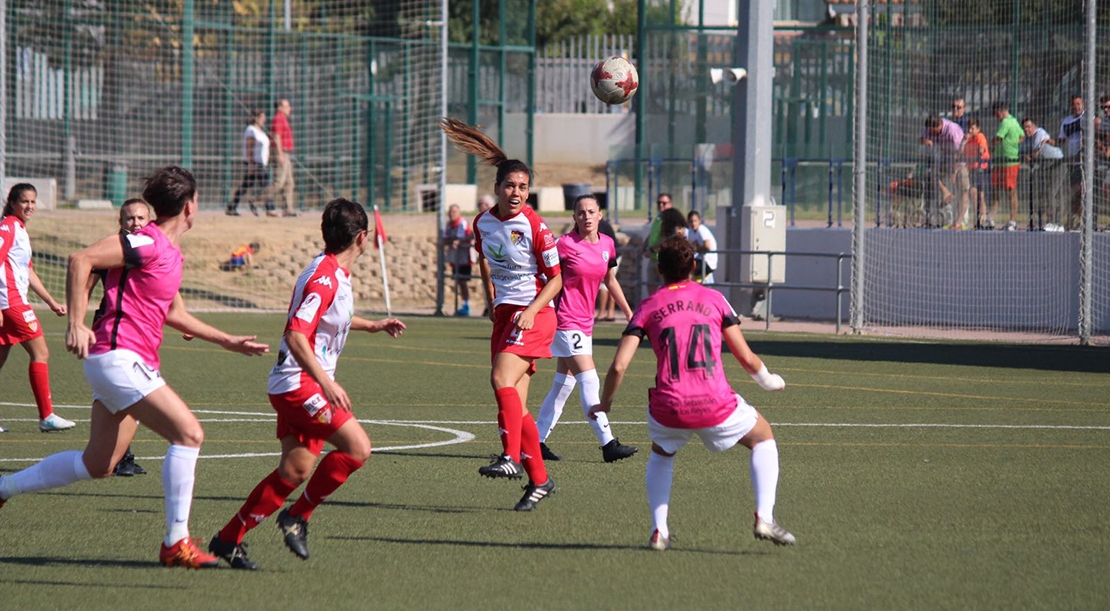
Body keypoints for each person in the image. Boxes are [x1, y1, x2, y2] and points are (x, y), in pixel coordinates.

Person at [0, 166, 270, 569]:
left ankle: (4, 487)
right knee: (190, 435)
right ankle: (176, 543)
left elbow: (174, 313)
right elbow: (81, 259)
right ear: (189, 207)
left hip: (125, 362)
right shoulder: (147, 241)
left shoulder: (169, 252)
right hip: (117, 357)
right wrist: (75, 323)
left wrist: (226, 340)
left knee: (98, 464)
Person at [208, 198, 406, 570]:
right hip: (300, 384)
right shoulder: (325, 278)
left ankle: (227, 539)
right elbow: (298, 334)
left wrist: (373, 324)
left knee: (295, 471)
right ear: (362, 238)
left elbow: (333, 316)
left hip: (293, 383)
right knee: (358, 448)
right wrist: (325, 384)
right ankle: (297, 516)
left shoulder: (331, 273)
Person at [589, 236, 795, 551]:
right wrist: (769, 381)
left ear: (659, 270)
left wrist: (605, 403)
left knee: (661, 453)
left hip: (669, 406)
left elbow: (618, 366)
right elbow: (746, 358)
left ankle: (659, 531)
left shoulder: (647, 306)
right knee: (763, 437)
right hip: (715, 404)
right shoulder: (714, 299)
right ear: (694, 267)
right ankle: (764, 516)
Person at [440, 117, 560, 512]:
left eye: (524, 187)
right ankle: (540, 480)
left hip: (537, 313)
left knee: (499, 378)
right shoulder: (482, 223)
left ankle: (510, 458)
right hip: (507, 314)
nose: (517, 193)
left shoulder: (536, 225)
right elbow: (485, 261)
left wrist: (530, 311)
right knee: (514, 404)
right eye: (511, 185)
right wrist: (491, 297)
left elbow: (556, 280)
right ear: (496, 189)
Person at [535, 194, 636, 464]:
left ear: (600, 215)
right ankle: (608, 443)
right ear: (574, 218)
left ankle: (535, 441)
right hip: (566, 322)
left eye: (591, 211)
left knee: (563, 385)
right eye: (581, 212)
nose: (587, 216)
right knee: (589, 380)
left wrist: (628, 312)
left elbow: (610, 280)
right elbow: (544, 274)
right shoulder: (565, 245)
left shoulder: (607, 245)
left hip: (584, 324)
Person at [0, 183, 74, 434]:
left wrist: (51, 302)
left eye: (33, 201)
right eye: (24, 202)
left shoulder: (19, 229)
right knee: (41, 353)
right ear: (12, 203)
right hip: (10, 303)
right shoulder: (8, 226)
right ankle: (46, 416)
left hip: (13, 301)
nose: (30, 206)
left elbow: (28, 271)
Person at [84, 198, 152, 476]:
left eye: (140, 218)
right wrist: (78, 322)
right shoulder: (112, 247)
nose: (135, 224)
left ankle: (116, 455)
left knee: (124, 393)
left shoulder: (153, 247)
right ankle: (116, 455)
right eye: (130, 219)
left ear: (150, 220)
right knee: (128, 391)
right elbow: (86, 281)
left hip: (139, 329)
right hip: (110, 328)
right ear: (120, 222)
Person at [919, 114, 966, 226]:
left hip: (960, 162)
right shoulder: (930, 129)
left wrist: (953, 171)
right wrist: (925, 141)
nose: (931, 134)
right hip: (944, 161)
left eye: (933, 131)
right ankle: (944, 194)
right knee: (930, 172)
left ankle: (962, 219)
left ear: (939, 125)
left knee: (962, 189)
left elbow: (959, 152)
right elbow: (920, 139)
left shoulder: (952, 130)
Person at [1020, 117, 1065, 231]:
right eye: (1025, 127)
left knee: (1052, 192)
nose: (1027, 130)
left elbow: (1035, 153)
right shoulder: (1028, 139)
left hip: (1057, 163)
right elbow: (1023, 151)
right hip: (1046, 166)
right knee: (1047, 193)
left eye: (1029, 127)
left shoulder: (1039, 133)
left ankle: (1055, 222)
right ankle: (1049, 221)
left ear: (1034, 126)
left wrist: (1029, 156)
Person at [227, 109, 269, 216]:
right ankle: (269, 207)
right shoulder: (251, 130)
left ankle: (232, 206)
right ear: (256, 118)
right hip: (255, 163)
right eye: (262, 117)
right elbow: (249, 147)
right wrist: (251, 164)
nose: (264, 119)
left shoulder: (260, 131)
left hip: (261, 163)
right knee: (266, 185)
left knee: (246, 185)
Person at [991, 101, 1024, 231]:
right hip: (1000, 162)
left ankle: (1012, 221)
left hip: (1009, 162)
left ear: (1001, 111)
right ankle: (991, 218)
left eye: (996, 114)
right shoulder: (1014, 121)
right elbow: (1022, 136)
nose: (996, 116)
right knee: (996, 189)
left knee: (1011, 191)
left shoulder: (1006, 122)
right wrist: (1012, 143)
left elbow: (998, 139)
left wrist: (990, 146)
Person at [261, 99, 297, 218]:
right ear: (280, 107)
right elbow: (277, 137)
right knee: (279, 183)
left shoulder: (284, 119)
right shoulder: (278, 119)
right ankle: (257, 199)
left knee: (289, 183)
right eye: (287, 106)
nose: (289, 109)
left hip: (286, 153)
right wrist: (280, 154)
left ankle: (288, 209)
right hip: (280, 153)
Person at [1059, 95, 1087, 229]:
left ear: (1083, 105)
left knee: (1083, 191)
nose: (1076, 106)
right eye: (1074, 104)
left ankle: (1083, 220)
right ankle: (1072, 218)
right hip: (1072, 164)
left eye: (1079, 104)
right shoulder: (1067, 121)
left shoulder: (1088, 119)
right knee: (1074, 191)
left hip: (1085, 163)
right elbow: (1061, 139)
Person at [957, 118, 990, 230]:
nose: (970, 130)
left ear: (978, 129)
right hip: (972, 170)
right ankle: (977, 220)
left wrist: (980, 150)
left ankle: (983, 219)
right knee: (974, 193)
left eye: (973, 128)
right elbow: (960, 154)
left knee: (979, 194)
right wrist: (963, 141)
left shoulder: (980, 136)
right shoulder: (968, 141)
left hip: (981, 169)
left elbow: (982, 148)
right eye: (969, 128)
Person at [442, 204, 473, 316]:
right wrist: (451, 241)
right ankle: (462, 304)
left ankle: (466, 305)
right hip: (455, 258)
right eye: (450, 212)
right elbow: (445, 239)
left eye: (454, 212)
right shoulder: (449, 224)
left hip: (464, 257)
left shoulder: (462, 223)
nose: (452, 214)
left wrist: (453, 241)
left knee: (463, 281)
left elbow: (459, 239)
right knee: (458, 281)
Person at [595, 209, 619, 321]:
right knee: (607, 284)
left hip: (612, 256)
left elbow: (604, 245)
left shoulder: (601, 226)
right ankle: (609, 312)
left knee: (606, 284)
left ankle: (603, 312)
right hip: (608, 256)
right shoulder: (601, 225)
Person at [686, 210, 718, 283]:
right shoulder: (690, 231)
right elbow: (690, 246)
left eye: (695, 221)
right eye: (691, 221)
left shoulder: (701, 230)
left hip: (708, 262)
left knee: (689, 268)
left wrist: (696, 249)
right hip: (700, 259)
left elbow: (707, 246)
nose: (693, 223)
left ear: (699, 221)